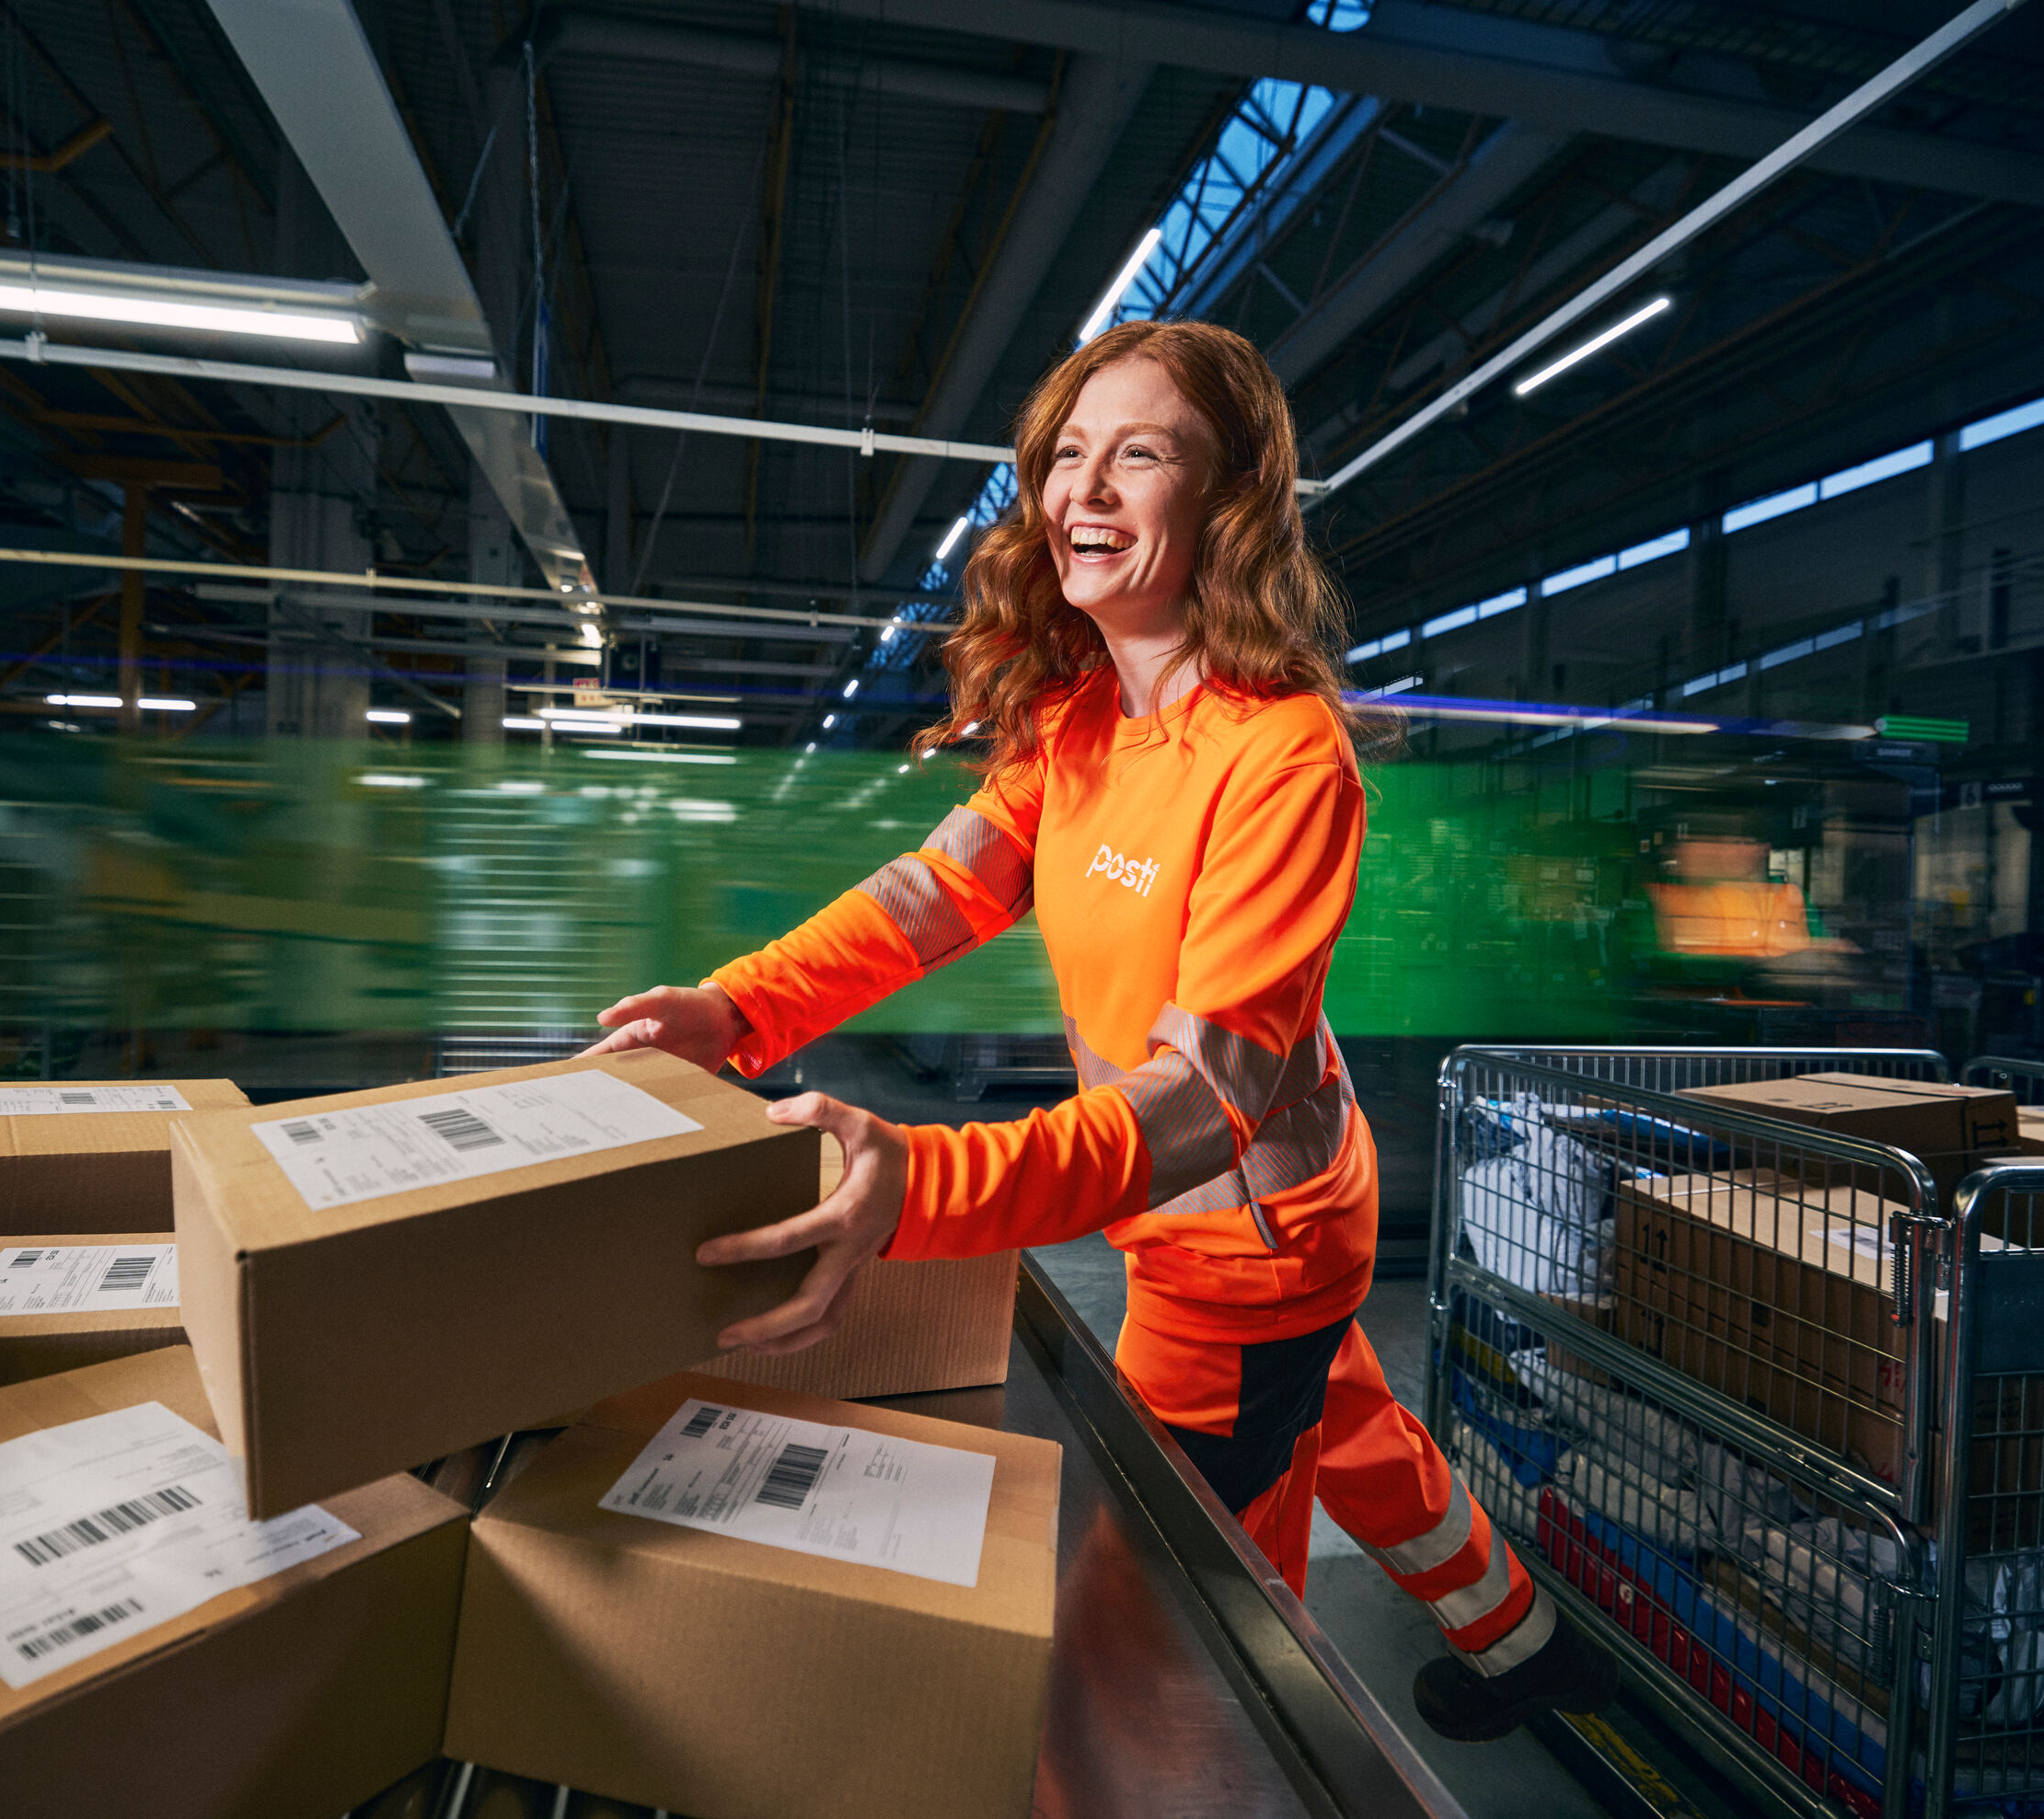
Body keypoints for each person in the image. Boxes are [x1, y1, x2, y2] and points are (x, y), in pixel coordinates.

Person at [583, 319, 1615, 1743]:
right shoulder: (1072, 725)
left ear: (1228, 502)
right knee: (1358, 1434)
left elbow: (1204, 1099)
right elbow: (921, 900)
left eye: (1141, 453)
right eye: (1069, 453)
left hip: (1246, 1246)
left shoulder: (1283, 754)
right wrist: (736, 1006)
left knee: (1173, 1612)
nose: (1086, 488)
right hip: (1238, 1226)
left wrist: (922, 1186)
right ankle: (1533, 1645)